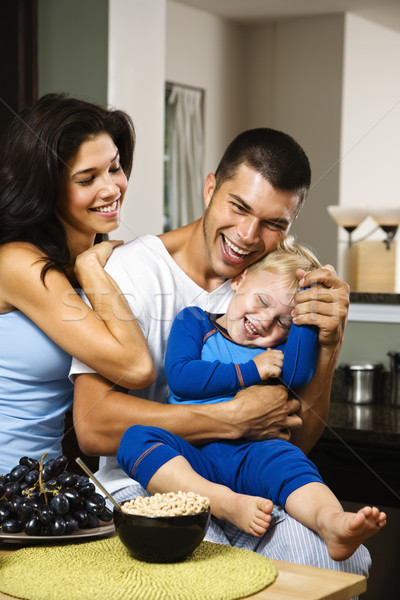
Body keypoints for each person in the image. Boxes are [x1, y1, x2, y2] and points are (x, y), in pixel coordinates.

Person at [71, 127, 370, 575]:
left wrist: (330, 343)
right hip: (148, 480)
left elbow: (295, 441)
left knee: (339, 565)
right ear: (210, 187)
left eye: (273, 224)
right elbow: (92, 427)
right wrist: (230, 418)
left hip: (249, 478)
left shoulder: (275, 291)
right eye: (239, 206)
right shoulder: (133, 272)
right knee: (205, 571)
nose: (248, 235)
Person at [117, 238, 386, 562]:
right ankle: (219, 500)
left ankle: (331, 522)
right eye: (262, 301)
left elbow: (299, 373)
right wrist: (252, 369)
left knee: (289, 460)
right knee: (135, 438)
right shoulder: (196, 322)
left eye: (283, 322)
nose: (265, 320)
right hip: (189, 452)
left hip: (250, 454)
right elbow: (183, 378)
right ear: (239, 280)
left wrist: (306, 312)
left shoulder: (276, 350)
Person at [0, 93, 155, 475]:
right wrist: (90, 268)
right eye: (87, 179)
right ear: (48, 189)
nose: (112, 188)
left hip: (43, 491)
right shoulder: (18, 263)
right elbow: (135, 367)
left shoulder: (92, 263)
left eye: (115, 168)